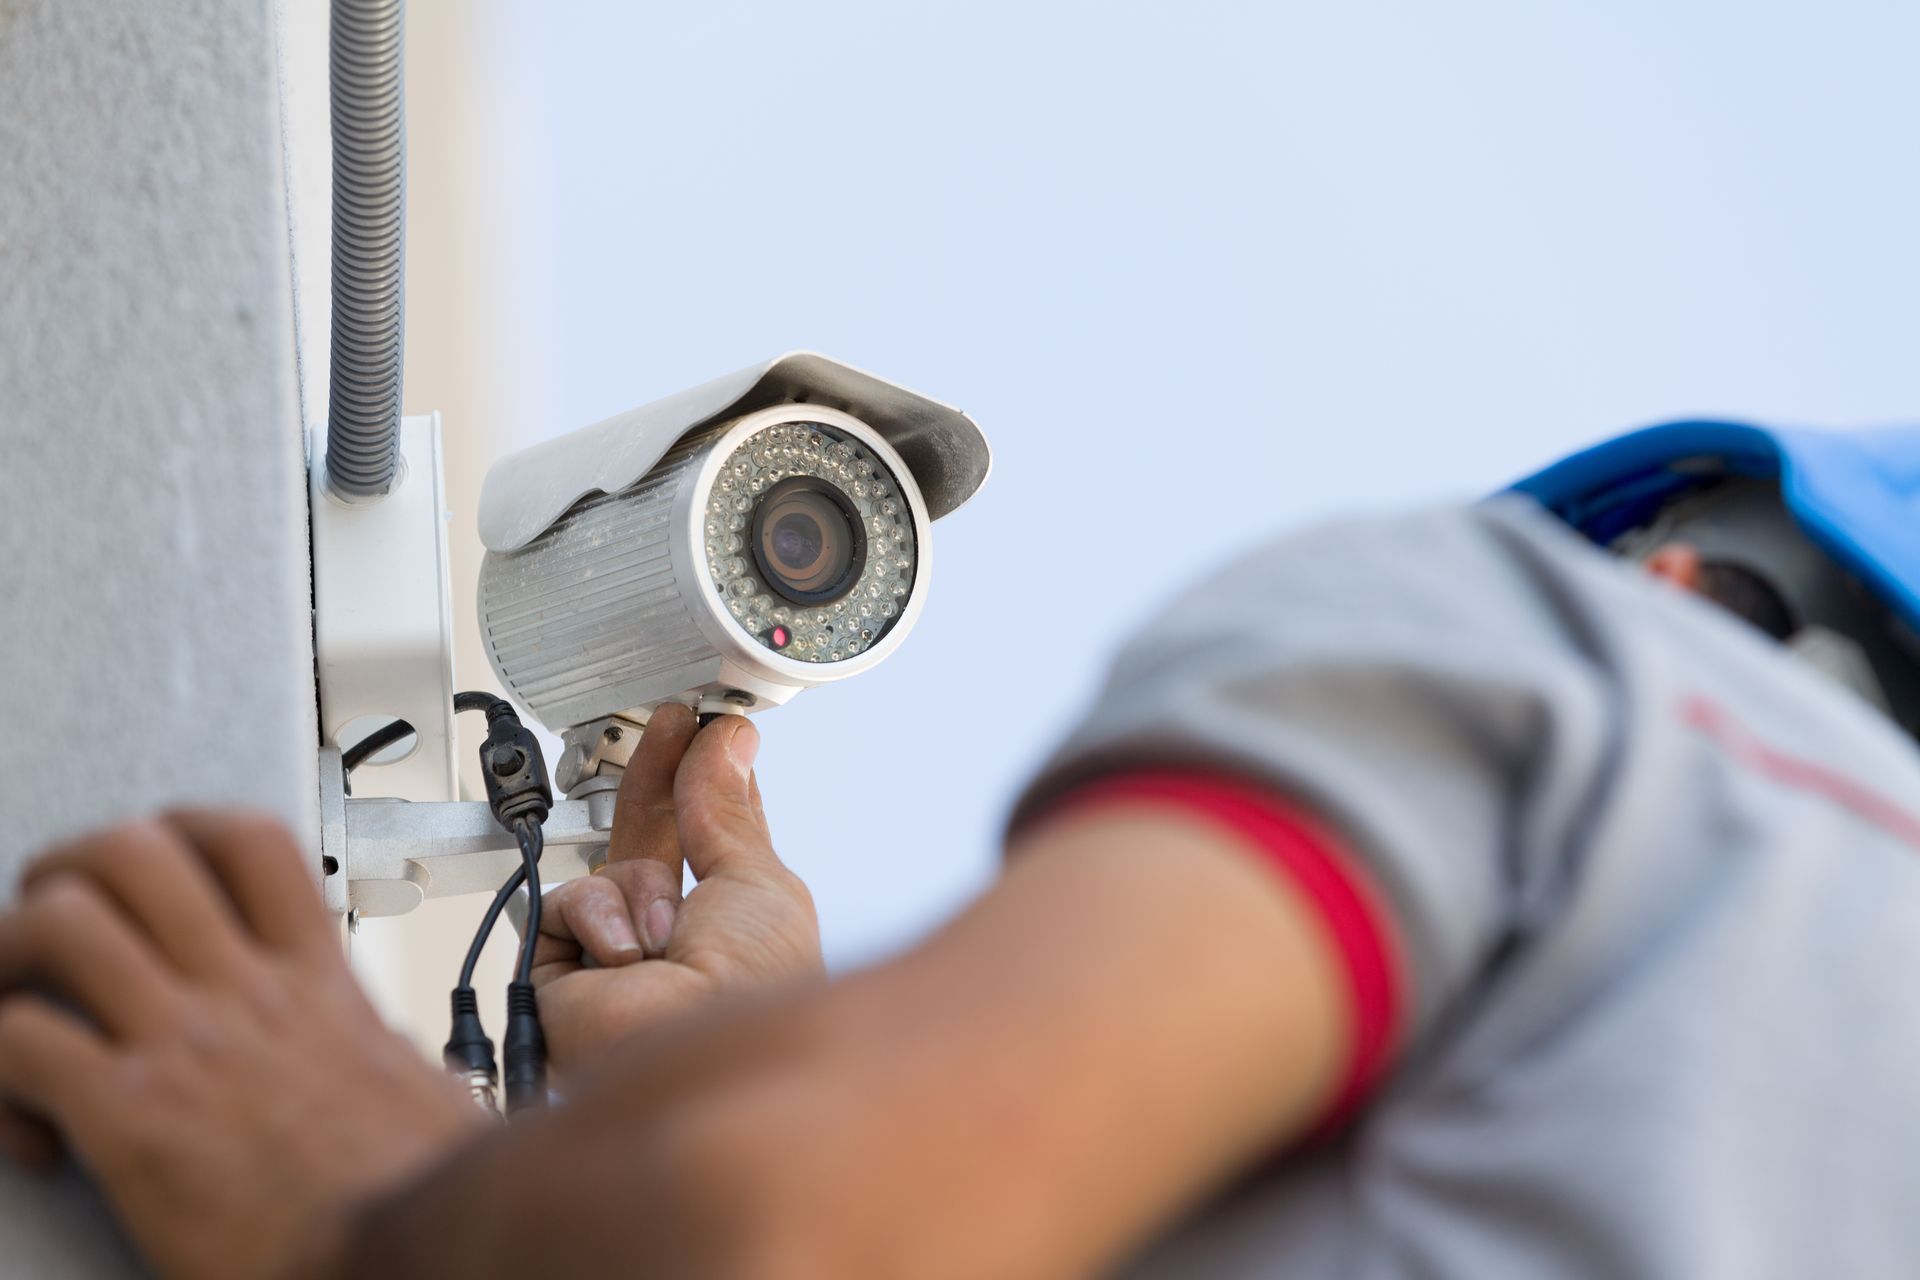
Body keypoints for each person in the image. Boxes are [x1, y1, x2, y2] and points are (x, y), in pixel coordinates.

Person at [0, 420, 1915, 1279]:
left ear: (1676, 572)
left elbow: (786, 1232)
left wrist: (358, 1206)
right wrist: (740, 1072)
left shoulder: (1588, 682)